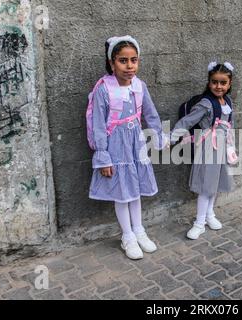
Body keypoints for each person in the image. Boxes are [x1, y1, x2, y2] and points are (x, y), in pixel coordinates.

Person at [87, 35, 168, 259]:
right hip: (115, 148)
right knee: (122, 193)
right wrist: (103, 156)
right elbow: (98, 126)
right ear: (112, 63)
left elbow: (150, 114)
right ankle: (127, 236)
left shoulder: (139, 86)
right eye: (123, 60)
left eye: (134, 60)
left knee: (135, 190)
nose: (129, 66)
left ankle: (139, 230)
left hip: (136, 145)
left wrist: (158, 136)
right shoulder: (103, 90)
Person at [171, 62, 238, 240]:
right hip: (208, 148)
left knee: (214, 184)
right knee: (205, 187)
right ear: (209, 83)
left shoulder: (229, 102)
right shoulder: (206, 104)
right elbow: (187, 121)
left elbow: (231, 125)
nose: (219, 86)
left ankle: (210, 215)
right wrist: (172, 136)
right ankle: (199, 223)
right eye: (214, 82)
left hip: (222, 149)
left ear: (229, 84)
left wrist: (232, 146)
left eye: (223, 83)